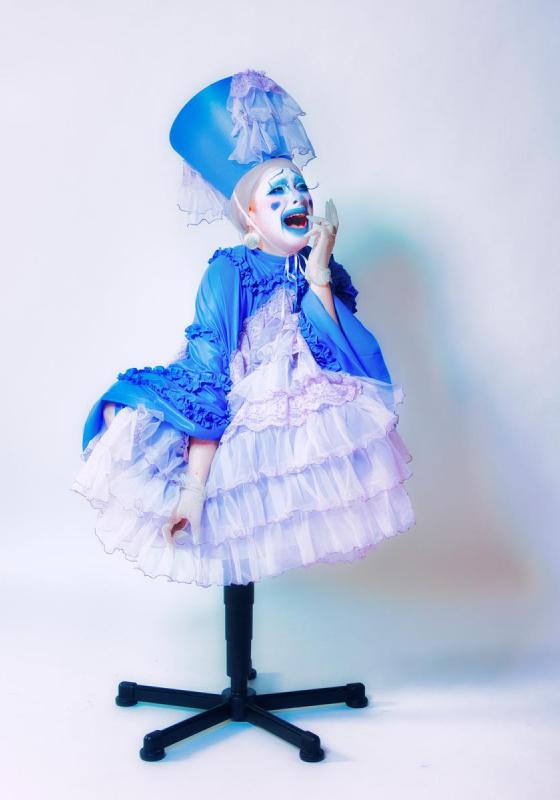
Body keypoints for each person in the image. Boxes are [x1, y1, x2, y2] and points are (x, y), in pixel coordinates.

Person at [72, 69, 415, 587]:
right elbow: (209, 372)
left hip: (301, 427)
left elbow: (355, 364)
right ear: (250, 218)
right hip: (234, 426)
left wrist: (320, 274)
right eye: (277, 192)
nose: (298, 198)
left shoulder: (317, 270)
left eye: (300, 187)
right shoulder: (230, 270)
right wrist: (194, 488)